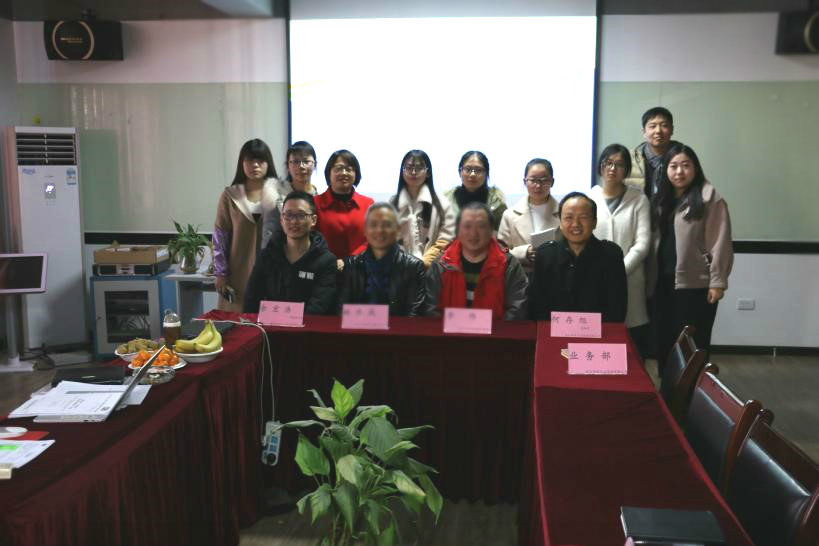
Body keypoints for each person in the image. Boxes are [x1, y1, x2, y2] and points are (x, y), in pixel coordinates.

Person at [650, 143, 732, 372]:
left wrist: (717, 282)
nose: (679, 172)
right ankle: (668, 388)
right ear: (665, 169)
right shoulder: (662, 199)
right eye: (673, 166)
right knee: (665, 339)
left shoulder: (709, 197)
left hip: (695, 285)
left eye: (686, 165)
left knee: (693, 344)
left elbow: (720, 242)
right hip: (663, 281)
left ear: (696, 168)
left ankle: (692, 388)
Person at [590, 144, 651, 356]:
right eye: (608, 163)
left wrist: (618, 271)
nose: (612, 168)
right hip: (596, 280)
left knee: (631, 345)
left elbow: (642, 243)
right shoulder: (590, 198)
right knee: (599, 341)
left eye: (619, 164)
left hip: (630, 279)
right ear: (600, 166)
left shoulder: (639, 199)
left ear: (626, 170)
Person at [528, 192, 627, 322]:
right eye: (568, 218)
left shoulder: (611, 255)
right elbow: (537, 305)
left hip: (600, 333)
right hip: (554, 332)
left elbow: (617, 307)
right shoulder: (546, 255)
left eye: (583, 217)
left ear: (594, 222)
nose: (575, 224)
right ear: (560, 222)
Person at [425, 202, 528, 320]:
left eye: (481, 226)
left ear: (491, 230)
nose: (473, 233)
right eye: (467, 226)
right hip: (448, 331)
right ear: (457, 230)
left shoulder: (508, 265)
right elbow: (430, 310)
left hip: (497, 331)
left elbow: (517, 310)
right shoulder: (441, 264)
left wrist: (492, 329)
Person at [213, 138, 281, 311]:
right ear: (242, 163)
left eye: (260, 160)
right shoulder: (230, 196)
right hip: (238, 272)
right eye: (250, 160)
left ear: (268, 163)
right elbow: (220, 237)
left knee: (271, 321)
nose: (255, 165)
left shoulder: (280, 195)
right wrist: (221, 273)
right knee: (236, 321)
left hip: (273, 271)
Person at [243, 191, 337, 315]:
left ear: (313, 220)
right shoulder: (267, 255)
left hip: (309, 326)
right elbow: (251, 300)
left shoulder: (326, 261)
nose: (293, 221)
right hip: (269, 325)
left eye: (301, 215)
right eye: (288, 215)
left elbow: (319, 306)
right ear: (281, 220)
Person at [337, 203, 426, 316]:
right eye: (373, 224)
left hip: (398, 327)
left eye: (387, 225)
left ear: (398, 230)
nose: (379, 230)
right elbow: (341, 311)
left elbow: (414, 315)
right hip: (356, 326)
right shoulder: (351, 265)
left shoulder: (414, 267)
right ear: (365, 230)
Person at [390, 150, 456, 268]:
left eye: (419, 168)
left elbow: (446, 238)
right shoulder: (392, 202)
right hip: (398, 269)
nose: (413, 172)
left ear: (428, 172)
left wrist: (423, 263)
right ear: (402, 171)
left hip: (431, 269)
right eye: (409, 168)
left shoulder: (442, 203)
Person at [498, 158, 559, 274]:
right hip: (520, 277)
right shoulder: (510, 215)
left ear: (552, 182)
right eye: (533, 180)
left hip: (556, 276)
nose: (538, 185)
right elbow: (500, 252)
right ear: (524, 181)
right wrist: (524, 252)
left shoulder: (564, 214)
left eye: (544, 180)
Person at [315, 150, 374, 259]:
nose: (344, 173)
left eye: (349, 169)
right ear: (329, 173)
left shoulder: (368, 204)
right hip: (326, 265)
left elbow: (373, 238)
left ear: (356, 174)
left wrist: (352, 260)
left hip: (361, 265)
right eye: (338, 168)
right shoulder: (315, 203)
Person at [262, 141, 319, 248]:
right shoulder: (276, 196)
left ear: (315, 164)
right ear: (288, 166)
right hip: (282, 254)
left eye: (306, 161)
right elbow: (269, 233)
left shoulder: (319, 197)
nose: (301, 166)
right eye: (295, 161)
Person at [624, 106, 681, 198]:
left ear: (672, 130)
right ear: (644, 132)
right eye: (652, 126)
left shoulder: (683, 156)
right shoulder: (630, 159)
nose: (658, 131)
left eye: (664, 125)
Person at [443, 151, 507, 232]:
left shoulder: (497, 200)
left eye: (478, 170)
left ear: (486, 173)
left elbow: (502, 234)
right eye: (468, 169)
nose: (472, 174)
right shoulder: (447, 199)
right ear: (460, 172)